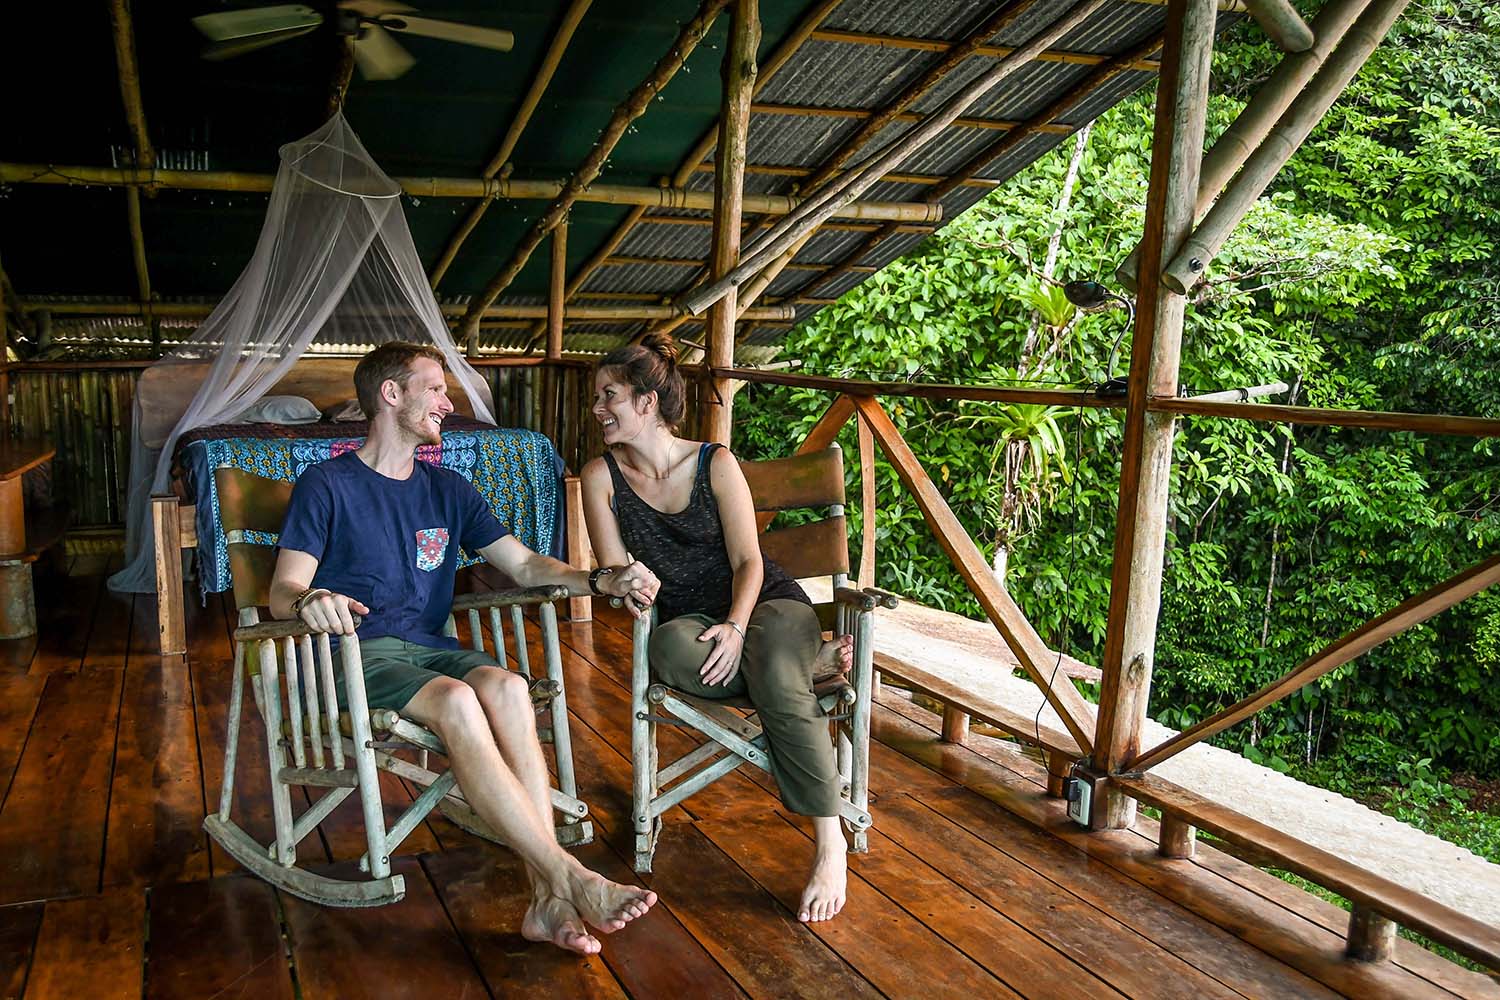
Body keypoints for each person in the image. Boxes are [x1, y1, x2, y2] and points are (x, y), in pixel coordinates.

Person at [270, 341, 657, 955]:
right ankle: (567, 877)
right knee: (456, 701)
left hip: (431, 646)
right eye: (435, 389)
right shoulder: (327, 484)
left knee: (505, 688)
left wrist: (600, 580)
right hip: (357, 654)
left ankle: (547, 898)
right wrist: (308, 600)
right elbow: (283, 588)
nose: (448, 405)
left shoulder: (448, 487)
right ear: (391, 395)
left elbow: (526, 566)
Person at [580, 333, 854, 924]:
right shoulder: (601, 475)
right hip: (687, 622)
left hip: (762, 605)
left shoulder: (714, 462)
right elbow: (610, 569)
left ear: (648, 402)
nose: (598, 408)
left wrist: (735, 627)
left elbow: (749, 562)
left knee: (774, 666)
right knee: (669, 652)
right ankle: (811, 665)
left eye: (610, 396)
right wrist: (626, 582)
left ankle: (830, 843)